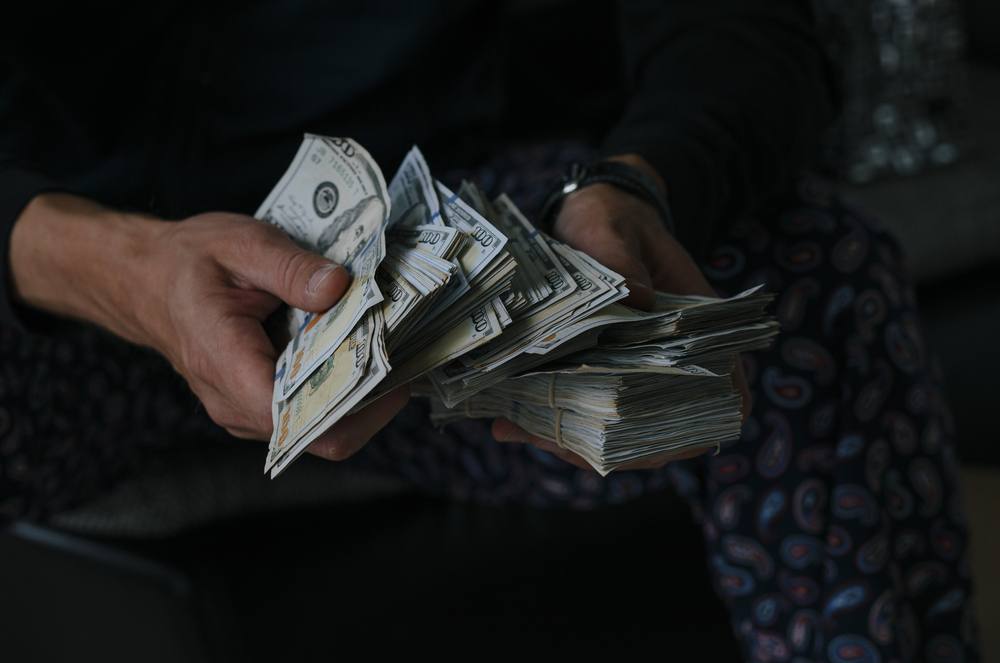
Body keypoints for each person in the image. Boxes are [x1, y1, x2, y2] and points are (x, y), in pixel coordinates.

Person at [0, 1, 978, 660]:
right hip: (68, 271)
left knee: (814, 280)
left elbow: (741, 26)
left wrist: (641, 185)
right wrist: (107, 265)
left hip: (446, 244)